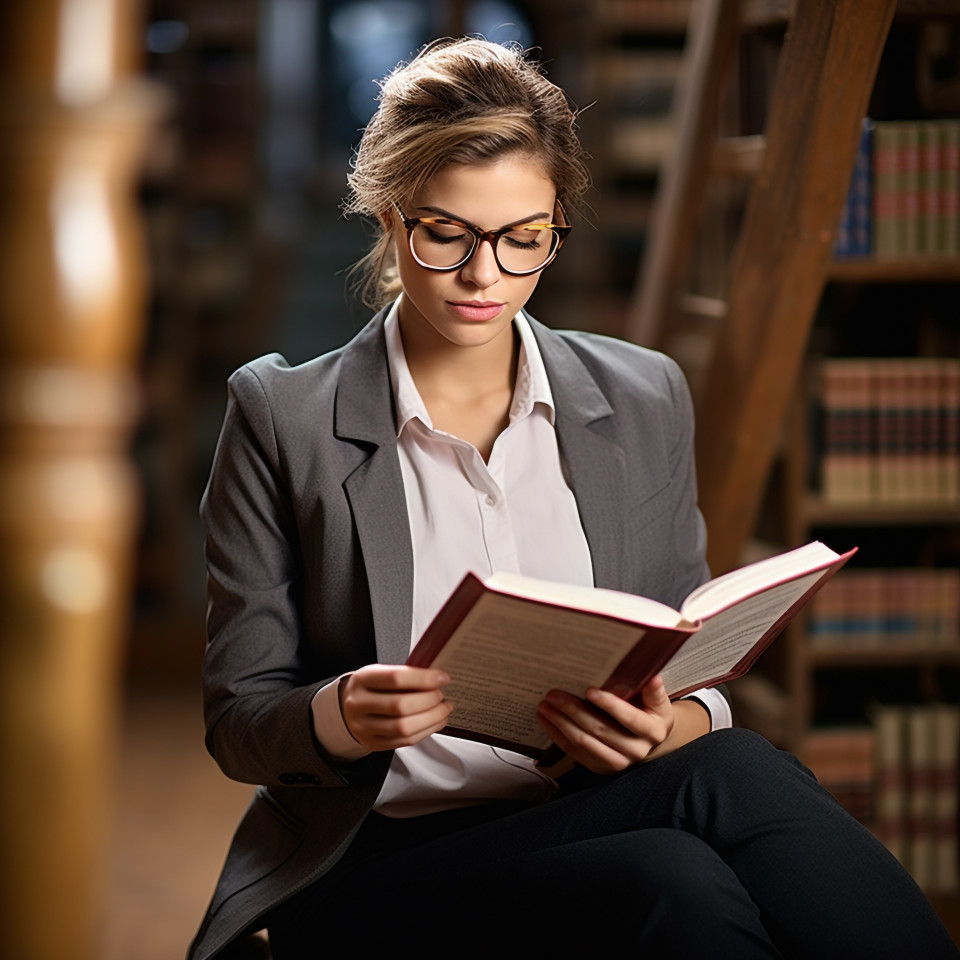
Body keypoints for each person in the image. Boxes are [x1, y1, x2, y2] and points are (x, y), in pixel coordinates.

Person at [187, 37, 959, 960]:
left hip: (583, 806)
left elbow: (686, 654)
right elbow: (239, 722)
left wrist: (664, 722)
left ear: (558, 222)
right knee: (680, 867)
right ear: (391, 218)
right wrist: (342, 712)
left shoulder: (641, 396)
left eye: (525, 240)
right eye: (448, 234)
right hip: (378, 858)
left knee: (711, 803)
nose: (486, 277)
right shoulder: (283, 416)